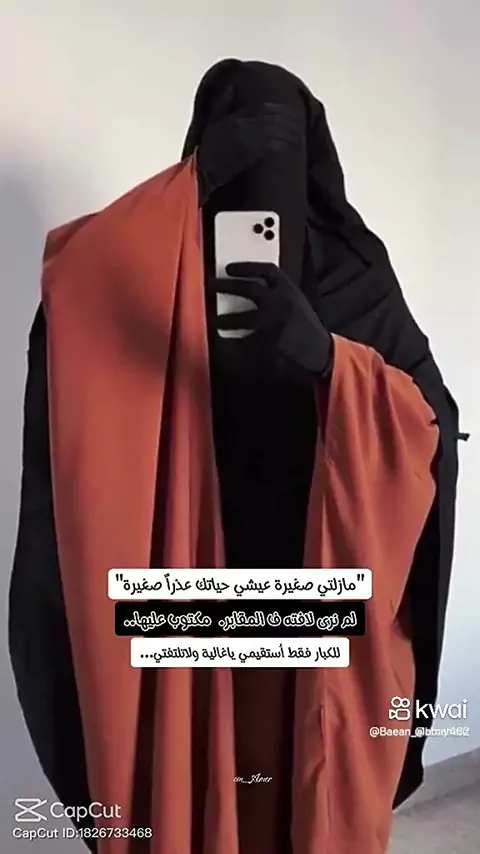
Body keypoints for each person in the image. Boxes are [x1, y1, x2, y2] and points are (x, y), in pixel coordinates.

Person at [9, 59, 463, 854]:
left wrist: (329, 360)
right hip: (185, 603)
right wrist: (194, 189)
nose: (261, 194)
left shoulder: (352, 275)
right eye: (240, 158)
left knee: (305, 795)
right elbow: (74, 285)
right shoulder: (154, 273)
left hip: (318, 609)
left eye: (278, 160)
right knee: (196, 796)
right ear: (203, 158)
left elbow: (430, 421)